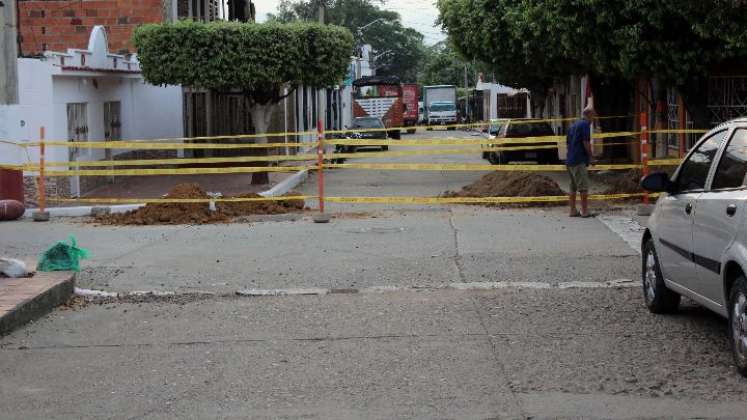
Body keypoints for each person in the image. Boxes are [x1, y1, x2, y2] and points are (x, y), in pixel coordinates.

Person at [566, 107, 596, 218]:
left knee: (573, 187)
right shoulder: (585, 125)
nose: (594, 119)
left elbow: (568, 144)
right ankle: (584, 211)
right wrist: (591, 157)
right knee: (583, 187)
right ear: (588, 115)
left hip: (570, 160)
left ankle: (572, 210)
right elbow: (586, 142)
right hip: (579, 160)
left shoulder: (573, 126)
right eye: (593, 116)